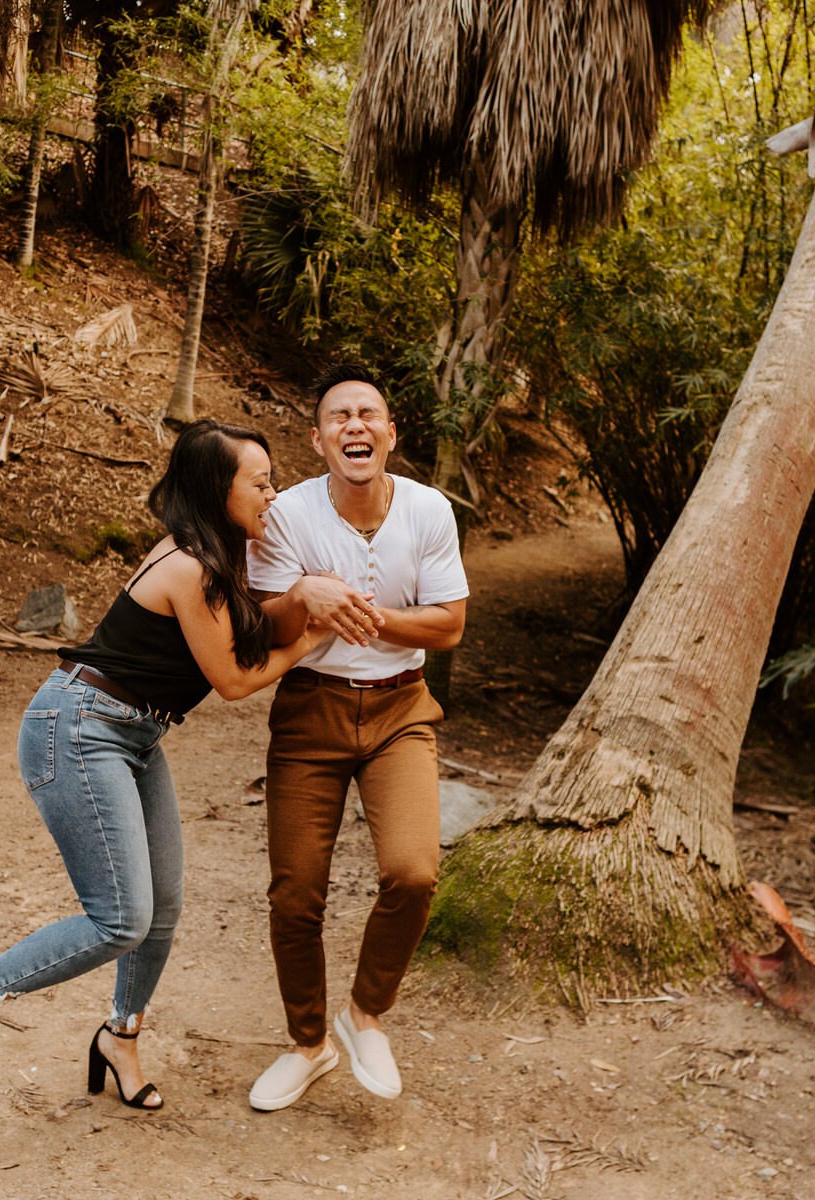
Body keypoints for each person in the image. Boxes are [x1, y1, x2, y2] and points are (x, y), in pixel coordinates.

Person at [0, 420, 331, 1111]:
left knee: (164, 907)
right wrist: (311, 640)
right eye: (261, 482)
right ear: (218, 490)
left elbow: (248, 629)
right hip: (79, 728)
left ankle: (120, 1036)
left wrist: (299, 601)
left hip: (132, 736)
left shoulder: (216, 559)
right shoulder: (190, 566)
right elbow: (237, 678)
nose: (273, 495)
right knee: (119, 919)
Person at [244, 363, 469, 1111]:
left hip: (401, 708)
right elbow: (260, 619)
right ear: (317, 440)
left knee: (413, 873)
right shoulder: (287, 517)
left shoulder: (430, 511)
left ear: (390, 433)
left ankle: (365, 1014)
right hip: (309, 711)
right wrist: (303, 594)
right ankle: (308, 1044)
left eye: (368, 414)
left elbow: (449, 624)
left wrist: (366, 616)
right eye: (338, 416)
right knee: (295, 894)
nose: (355, 426)